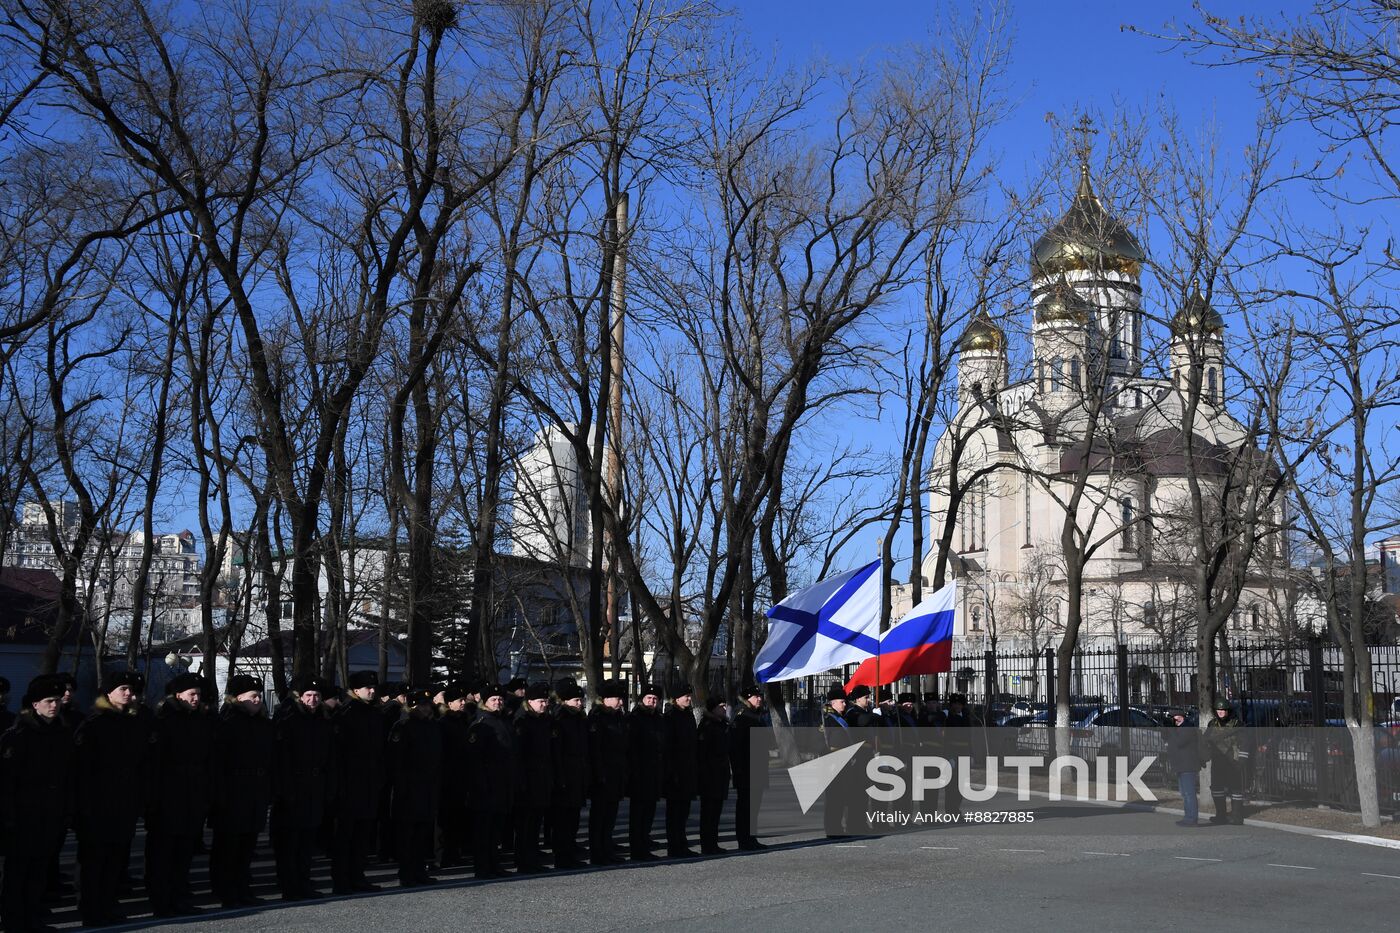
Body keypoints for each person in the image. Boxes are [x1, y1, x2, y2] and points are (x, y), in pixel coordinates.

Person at [0, 676, 75, 933]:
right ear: (35, 704)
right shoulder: (18, 735)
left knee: (39, 869)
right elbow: (7, 782)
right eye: (49, 701)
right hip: (23, 813)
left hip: (50, 812)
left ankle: (32, 917)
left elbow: (68, 776)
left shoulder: (63, 733)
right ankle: (13, 921)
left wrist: (66, 810)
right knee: (17, 871)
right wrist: (8, 816)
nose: (55, 705)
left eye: (57, 701)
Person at [73, 670, 146, 926]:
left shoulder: (132, 723)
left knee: (116, 858)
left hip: (124, 801)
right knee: (94, 859)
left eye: (131, 689)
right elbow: (82, 770)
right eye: (122, 689)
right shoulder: (94, 724)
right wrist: (84, 806)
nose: (129, 693)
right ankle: (91, 909)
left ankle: (108, 904)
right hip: (98, 802)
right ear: (108, 693)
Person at [145, 672, 214, 918]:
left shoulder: (201, 720)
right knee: (163, 852)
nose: (196, 698)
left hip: (192, 793)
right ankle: (161, 901)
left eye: (198, 694)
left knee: (184, 851)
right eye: (191, 694)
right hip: (168, 794)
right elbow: (154, 763)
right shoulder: (163, 719)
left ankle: (179, 897)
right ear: (178, 695)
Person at [211, 674, 273, 908]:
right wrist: (221, 795)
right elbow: (219, 763)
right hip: (233, 792)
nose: (258, 700)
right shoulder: (227, 723)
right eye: (253, 696)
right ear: (238, 698)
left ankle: (242, 887)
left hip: (255, 791)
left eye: (259, 696)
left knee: (247, 845)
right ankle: (226, 891)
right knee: (229, 846)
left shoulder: (263, 724)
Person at [272, 677, 335, 901]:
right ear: (300, 696)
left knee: (308, 840)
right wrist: (284, 790)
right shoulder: (288, 718)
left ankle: (304, 882)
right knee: (290, 841)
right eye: (308, 695)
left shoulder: (323, 720)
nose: (313, 699)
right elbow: (282, 758)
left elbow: (329, 757)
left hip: (314, 786)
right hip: (294, 786)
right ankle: (290, 885)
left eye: (317, 696)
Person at [331, 670, 386, 894]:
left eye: (373, 687)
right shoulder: (346, 714)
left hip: (369, 782)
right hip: (350, 783)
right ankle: (342, 880)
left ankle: (357, 876)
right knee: (346, 835)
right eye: (367, 688)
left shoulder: (374, 713)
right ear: (355, 690)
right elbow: (339, 753)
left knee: (363, 834)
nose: (372, 691)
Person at [389, 689, 442, 887]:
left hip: (428, 786)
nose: (426, 708)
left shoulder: (432, 726)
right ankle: (406, 873)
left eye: (427, 704)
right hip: (409, 788)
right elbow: (397, 761)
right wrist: (402, 787)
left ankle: (419, 871)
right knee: (407, 835)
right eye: (421, 705)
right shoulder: (403, 726)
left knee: (422, 833)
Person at [466, 684, 516, 879]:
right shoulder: (480, 724)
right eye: (493, 699)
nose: (498, 702)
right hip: (486, 785)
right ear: (484, 702)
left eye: (500, 699)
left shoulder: (503, 721)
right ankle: (483, 867)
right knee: (484, 830)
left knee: (496, 829)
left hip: (502, 783)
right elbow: (474, 760)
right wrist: (481, 785)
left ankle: (494, 864)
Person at [513, 683, 555, 873]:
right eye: (540, 701)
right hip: (528, 779)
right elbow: (519, 755)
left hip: (541, 778)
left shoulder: (544, 720)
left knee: (535, 822)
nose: (544, 704)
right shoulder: (522, 720)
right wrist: (522, 781)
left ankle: (531, 858)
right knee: (525, 824)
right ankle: (524, 860)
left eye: (546, 701)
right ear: (529, 702)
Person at [587, 678, 629, 865]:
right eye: (618, 699)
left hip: (616, 772)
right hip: (603, 774)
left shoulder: (618, 717)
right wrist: (599, 774)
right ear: (607, 699)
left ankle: (607, 849)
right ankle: (597, 853)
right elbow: (595, 749)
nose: (621, 702)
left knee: (611, 815)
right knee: (599, 816)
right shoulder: (597, 717)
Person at [551, 681, 589, 868]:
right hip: (566, 775)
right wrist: (561, 778)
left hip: (577, 774)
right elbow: (557, 752)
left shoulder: (579, 718)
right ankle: (562, 857)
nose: (580, 703)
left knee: (573, 819)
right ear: (565, 701)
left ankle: (570, 853)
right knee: (563, 821)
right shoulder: (560, 718)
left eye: (581, 700)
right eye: (576, 700)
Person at [728, 685, 771, 851]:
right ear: (747, 698)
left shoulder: (756, 715)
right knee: (745, 807)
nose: (759, 699)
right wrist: (738, 770)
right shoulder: (742, 717)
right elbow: (736, 747)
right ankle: (744, 840)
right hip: (746, 770)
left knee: (754, 807)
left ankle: (751, 838)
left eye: (760, 696)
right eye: (755, 696)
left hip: (758, 768)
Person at [627, 683, 665, 861]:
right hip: (640, 772)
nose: (652, 701)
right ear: (642, 699)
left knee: (649, 811)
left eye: (655, 699)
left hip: (654, 771)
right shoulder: (635, 718)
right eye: (649, 698)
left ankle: (644, 842)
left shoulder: (658, 718)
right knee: (638, 813)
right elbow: (632, 748)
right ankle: (637, 848)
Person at [437, 685, 473, 868]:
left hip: (462, 777)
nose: (463, 703)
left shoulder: (463, 721)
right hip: (448, 778)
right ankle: (443, 855)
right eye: (460, 700)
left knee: (458, 817)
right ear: (449, 703)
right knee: (446, 819)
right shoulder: (443, 724)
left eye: (464, 700)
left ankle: (455, 852)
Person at [662, 683, 698, 858]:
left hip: (688, 769)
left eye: (690, 695)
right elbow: (668, 747)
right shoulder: (670, 717)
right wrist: (672, 772)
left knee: (684, 812)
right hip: (676, 771)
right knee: (674, 812)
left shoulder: (688, 715)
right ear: (677, 698)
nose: (689, 698)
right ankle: (674, 846)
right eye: (686, 696)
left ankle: (681, 844)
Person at [696, 695, 730, 855]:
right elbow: (702, 753)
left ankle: (713, 843)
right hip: (709, 775)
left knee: (716, 812)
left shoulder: (722, 725)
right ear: (713, 708)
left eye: (725, 705)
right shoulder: (708, 726)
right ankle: (707, 844)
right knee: (708, 812)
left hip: (720, 774)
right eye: (721, 706)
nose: (724, 708)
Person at [1204, 699, 1245, 825]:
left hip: (1232, 760)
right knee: (1217, 788)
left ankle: (1237, 816)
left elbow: (1243, 741)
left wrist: (1241, 759)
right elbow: (1206, 739)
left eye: (1223, 710)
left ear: (1228, 711)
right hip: (1217, 760)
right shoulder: (1212, 724)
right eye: (1219, 710)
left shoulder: (1236, 723)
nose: (1221, 712)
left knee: (1235, 788)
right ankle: (1220, 815)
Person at [1166, 710, 1203, 827]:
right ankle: (1188, 817)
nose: (1173, 719)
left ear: (1181, 717)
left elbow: (1179, 742)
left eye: (1174, 717)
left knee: (1189, 793)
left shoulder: (1187, 727)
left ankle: (1192, 819)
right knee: (1184, 793)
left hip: (1188, 765)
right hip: (1181, 765)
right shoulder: (1178, 728)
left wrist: (1171, 730)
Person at [942, 693, 971, 817]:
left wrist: (971, 754)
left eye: (960, 704)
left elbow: (970, 737)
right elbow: (945, 739)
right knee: (952, 785)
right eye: (955, 704)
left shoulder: (966, 717)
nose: (957, 706)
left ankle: (956, 809)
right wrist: (949, 756)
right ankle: (950, 810)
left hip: (964, 753)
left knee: (962, 784)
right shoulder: (948, 717)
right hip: (953, 753)